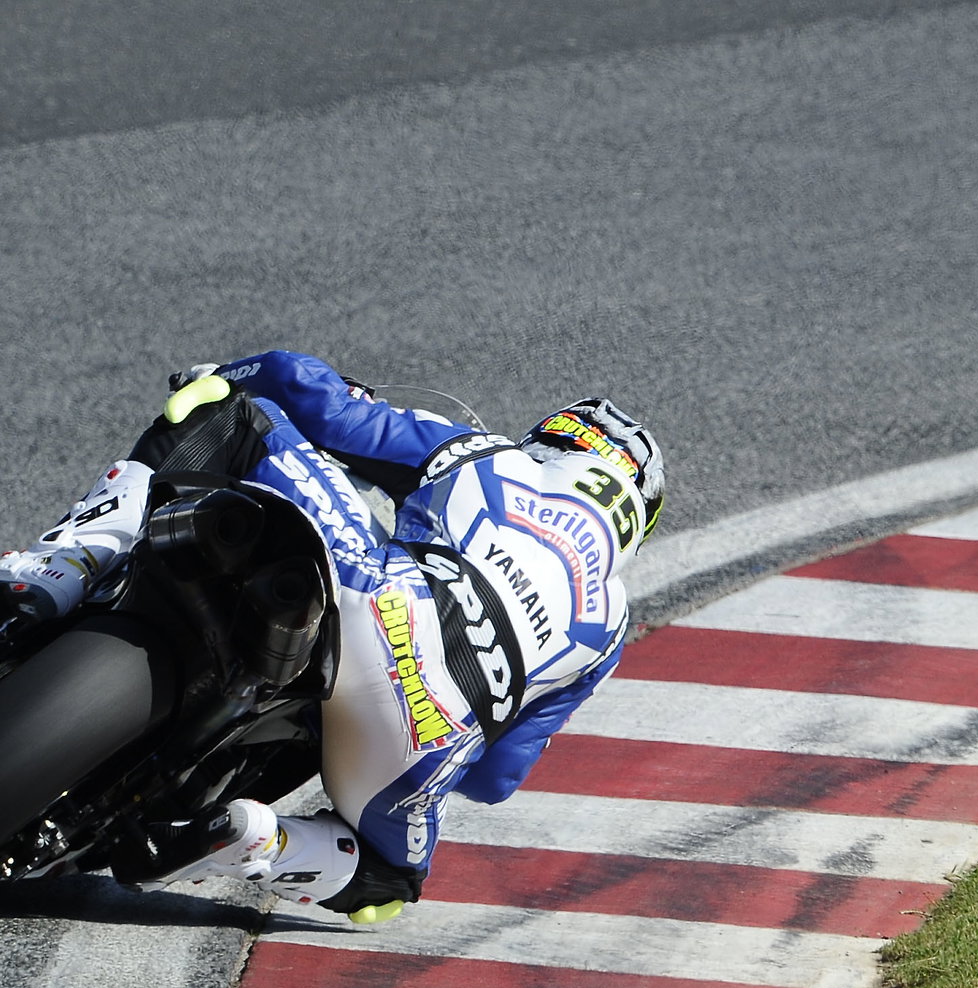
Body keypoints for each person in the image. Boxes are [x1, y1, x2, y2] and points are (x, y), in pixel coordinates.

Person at [0, 350, 664, 921]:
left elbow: (321, 402)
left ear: (554, 441)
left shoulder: (490, 458)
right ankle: (261, 844)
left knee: (226, 411)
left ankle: (59, 566)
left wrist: (235, 372)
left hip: (382, 596)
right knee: (391, 886)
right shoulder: (607, 625)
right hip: (424, 737)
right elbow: (493, 781)